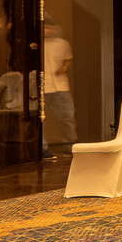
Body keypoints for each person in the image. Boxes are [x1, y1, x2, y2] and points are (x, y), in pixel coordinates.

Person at [43, 19, 75, 156]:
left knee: (67, 116)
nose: (49, 30)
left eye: (52, 28)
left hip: (61, 86)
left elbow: (68, 59)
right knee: (40, 120)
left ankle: (71, 146)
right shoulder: (37, 45)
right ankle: (42, 148)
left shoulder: (63, 44)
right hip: (42, 87)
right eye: (46, 28)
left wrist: (65, 67)